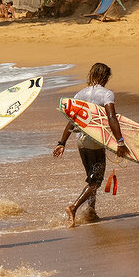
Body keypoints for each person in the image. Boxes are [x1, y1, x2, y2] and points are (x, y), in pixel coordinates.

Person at [53, 62, 128, 226]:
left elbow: (72, 120)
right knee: (95, 182)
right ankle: (73, 207)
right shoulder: (107, 94)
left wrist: (62, 143)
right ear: (105, 77)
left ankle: (91, 211)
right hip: (95, 141)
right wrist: (120, 142)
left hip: (80, 141)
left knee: (91, 178)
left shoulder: (80, 94)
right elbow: (111, 117)